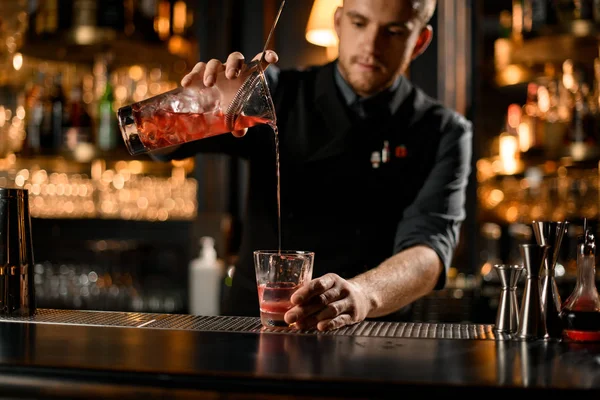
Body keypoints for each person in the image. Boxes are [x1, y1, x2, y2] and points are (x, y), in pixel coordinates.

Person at [156, 0, 472, 331]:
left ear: (419, 41)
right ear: (338, 22)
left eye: (393, 32)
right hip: (254, 331)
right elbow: (161, 142)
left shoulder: (442, 131)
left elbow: (430, 252)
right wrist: (187, 105)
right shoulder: (275, 94)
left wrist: (362, 295)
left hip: (373, 338)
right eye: (359, 23)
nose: (371, 46)